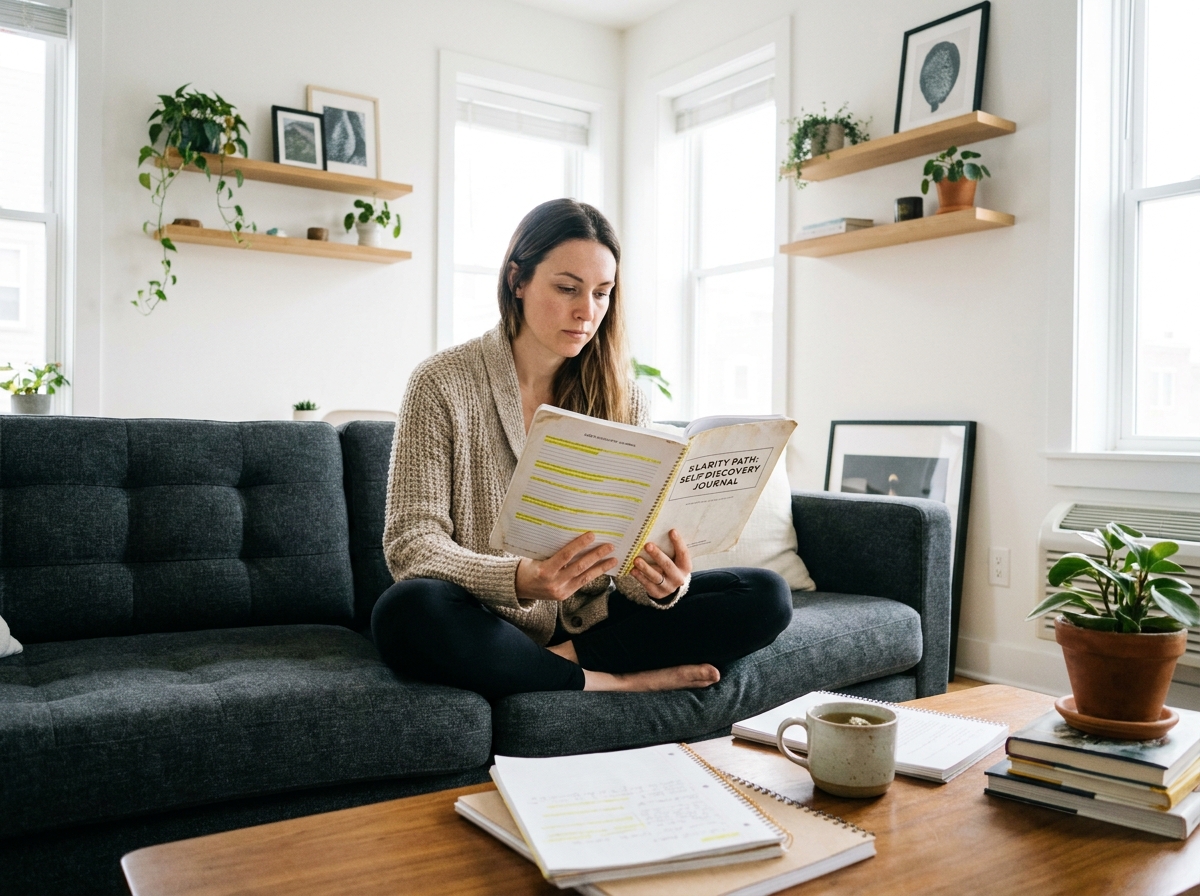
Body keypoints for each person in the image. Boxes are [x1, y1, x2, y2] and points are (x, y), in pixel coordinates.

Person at [372, 198, 792, 700]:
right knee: (408, 609)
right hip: (486, 616)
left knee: (765, 596)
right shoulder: (441, 383)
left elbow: (628, 554)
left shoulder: (624, 397)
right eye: (567, 289)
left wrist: (661, 580)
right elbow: (411, 542)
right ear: (517, 281)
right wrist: (521, 580)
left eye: (601, 293)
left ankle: (551, 667)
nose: (586, 312)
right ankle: (607, 681)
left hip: (590, 620)